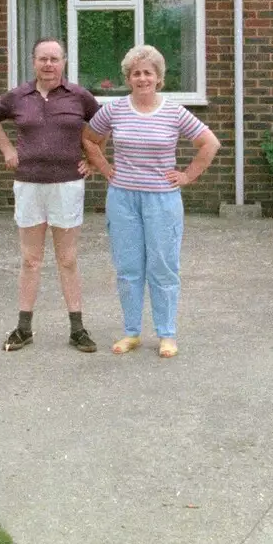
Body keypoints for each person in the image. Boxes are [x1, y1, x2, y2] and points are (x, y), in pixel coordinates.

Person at [83, 45, 220, 359]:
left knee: (163, 267)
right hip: (123, 199)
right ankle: (131, 332)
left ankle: (167, 333)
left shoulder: (173, 111)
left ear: (158, 78)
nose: (142, 78)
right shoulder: (115, 109)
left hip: (162, 201)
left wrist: (187, 175)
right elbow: (89, 138)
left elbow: (209, 143)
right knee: (128, 268)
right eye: (136, 73)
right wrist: (104, 168)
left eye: (148, 72)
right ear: (128, 78)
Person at [0, 38, 101, 353]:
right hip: (29, 185)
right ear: (33, 62)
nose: (48, 65)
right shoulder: (18, 96)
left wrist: (93, 160)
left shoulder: (79, 96)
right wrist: (7, 149)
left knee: (68, 259)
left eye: (54, 59)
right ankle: (23, 329)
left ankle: (77, 329)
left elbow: (103, 124)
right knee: (31, 260)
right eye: (42, 59)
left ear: (63, 62)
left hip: (67, 185)